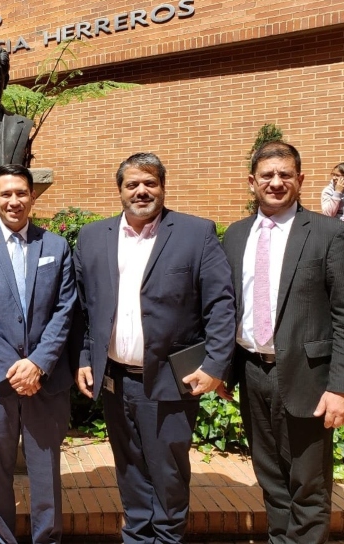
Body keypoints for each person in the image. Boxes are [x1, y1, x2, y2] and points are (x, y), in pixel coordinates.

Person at [73, 152, 236, 544]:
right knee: (129, 468)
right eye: (133, 184)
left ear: (163, 186)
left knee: (168, 472)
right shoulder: (94, 237)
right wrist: (83, 358)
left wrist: (215, 365)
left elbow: (220, 304)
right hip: (114, 379)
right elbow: (82, 306)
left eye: (150, 182)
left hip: (170, 380)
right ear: (120, 191)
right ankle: (138, 538)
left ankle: (167, 538)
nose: (141, 190)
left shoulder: (196, 234)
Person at [220, 141, 344, 544]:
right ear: (252, 182)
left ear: (301, 180)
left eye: (285, 174)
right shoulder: (234, 236)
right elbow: (223, 310)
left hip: (311, 379)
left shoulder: (331, 234)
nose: (276, 182)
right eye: (267, 175)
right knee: (270, 478)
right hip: (252, 373)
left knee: (308, 484)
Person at [0, 164, 76, 544]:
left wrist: (38, 363)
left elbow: (66, 308)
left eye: (21, 193)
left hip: (46, 378)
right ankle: (2, 539)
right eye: (5, 194)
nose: (14, 201)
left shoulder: (55, 246)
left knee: (45, 469)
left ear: (32, 197)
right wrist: (13, 369)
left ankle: (47, 538)